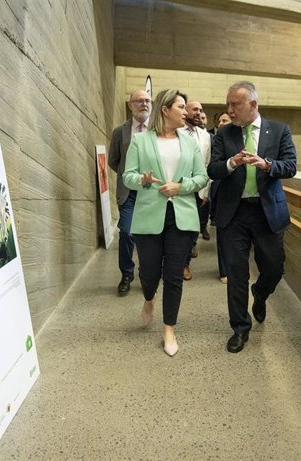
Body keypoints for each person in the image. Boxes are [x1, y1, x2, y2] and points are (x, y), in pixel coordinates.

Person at [207, 81, 297, 353]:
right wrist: (232, 163)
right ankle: (240, 328)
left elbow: (291, 166)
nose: (230, 110)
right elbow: (213, 170)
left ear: (253, 105)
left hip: (266, 211)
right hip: (233, 214)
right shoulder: (224, 134)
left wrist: (267, 164)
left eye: (235, 105)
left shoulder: (279, 130)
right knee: (236, 273)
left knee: (274, 267)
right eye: (228, 105)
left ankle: (260, 294)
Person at [122, 89, 209, 357]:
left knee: (173, 275)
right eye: (181, 107)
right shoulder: (140, 141)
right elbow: (127, 176)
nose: (186, 112)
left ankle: (169, 328)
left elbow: (201, 178)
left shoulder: (190, 143)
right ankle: (149, 299)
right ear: (165, 109)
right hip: (149, 215)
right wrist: (142, 180)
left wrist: (180, 187)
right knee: (149, 273)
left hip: (181, 216)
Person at [108, 89, 151, 296]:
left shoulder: (157, 129)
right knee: (126, 232)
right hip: (128, 192)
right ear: (130, 105)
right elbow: (113, 161)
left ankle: (147, 274)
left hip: (152, 192)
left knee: (149, 235)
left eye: (147, 101)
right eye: (139, 101)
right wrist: (130, 177)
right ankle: (127, 273)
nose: (144, 104)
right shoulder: (120, 132)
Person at [181, 100, 212, 281]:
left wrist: (206, 191)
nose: (199, 113)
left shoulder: (205, 136)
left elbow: (207, 164)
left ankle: (185, 264)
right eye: (195, 110)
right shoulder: (175, 132)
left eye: (201, 110)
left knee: (193, 229)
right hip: (179, 187)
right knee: (179, 229)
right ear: (185, 111)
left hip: (198, 188)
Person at [210, 111, 231, 284]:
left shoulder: (239, 138)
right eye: (220, 121)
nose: (222, 123)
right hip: (218, 190)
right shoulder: (215, 139)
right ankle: (223, 270)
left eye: (226, 120)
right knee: (222, 233)